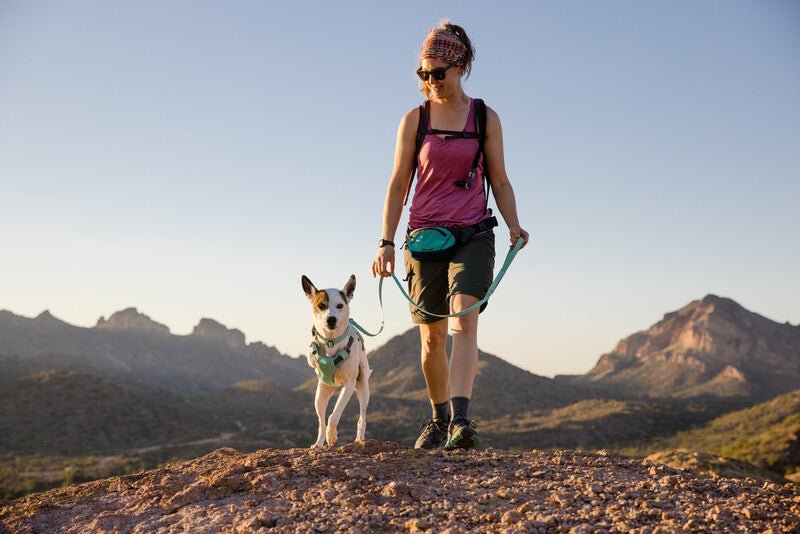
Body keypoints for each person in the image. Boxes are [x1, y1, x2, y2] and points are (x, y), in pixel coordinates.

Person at [371, 22, 529, 450]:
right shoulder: (414, 120)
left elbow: (500, 178)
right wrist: (385, 242)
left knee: (465, 317)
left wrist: (514, 224)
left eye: (438, 73)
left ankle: (462, 421)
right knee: (432, 337)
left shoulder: (484, 117)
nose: (430, 82)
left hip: (474, 233)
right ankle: (438, 418)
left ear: (460, 67)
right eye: (423, 74)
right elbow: (397, 183)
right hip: (424, 238)